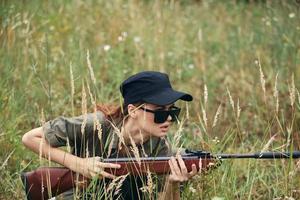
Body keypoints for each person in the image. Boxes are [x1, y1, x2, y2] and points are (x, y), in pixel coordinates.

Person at [22, 71, 202, 200]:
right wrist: (79, 164)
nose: (169, 118)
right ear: (133, 111)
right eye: (160, 111)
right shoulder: (96, 125)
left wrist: (173, 183)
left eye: (173, 111)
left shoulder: (160, 147)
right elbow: (30, 138)